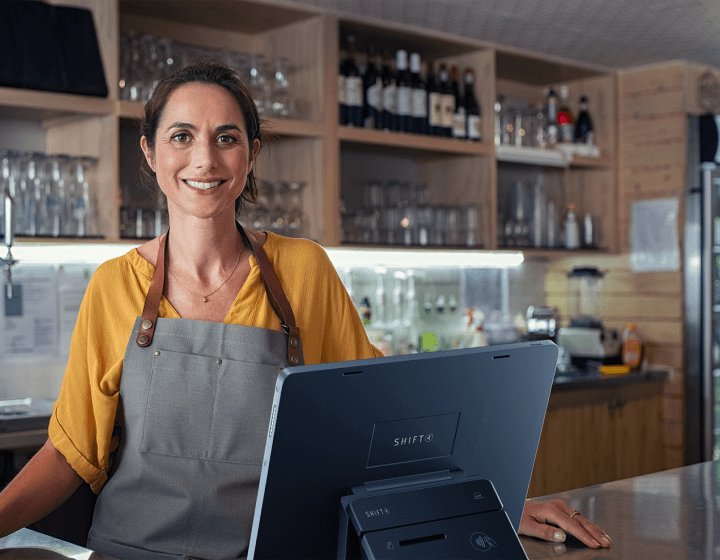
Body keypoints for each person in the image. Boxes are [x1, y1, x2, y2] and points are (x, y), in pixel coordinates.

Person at [0, 61, 611, 557]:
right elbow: (70, 452)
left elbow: (388, 425)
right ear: (151, 155)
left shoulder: (303, 271)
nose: (205, 160)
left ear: (251, 154)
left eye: (227, 138)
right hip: (131, 552)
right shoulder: (114, 286)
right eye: (181, 136)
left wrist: (495, 501)